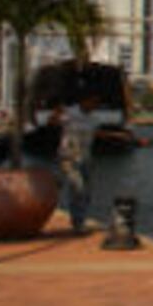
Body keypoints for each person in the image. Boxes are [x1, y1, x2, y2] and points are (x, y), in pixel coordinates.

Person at [56, 94, 101, 234]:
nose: (95, 106)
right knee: (77, 188)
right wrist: (57, 114)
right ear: (84, 101)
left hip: (86, 157)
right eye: (93, 103)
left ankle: (80, 219)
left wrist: (120, 136)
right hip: (69, 156)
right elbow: (53, 121)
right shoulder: (70, 113)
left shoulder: (94, 119)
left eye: (97, 104)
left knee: (87, 191)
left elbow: (96, 134)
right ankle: (77, 222)